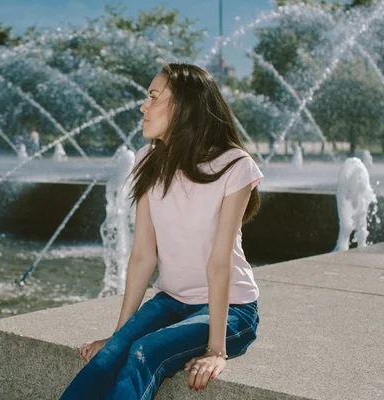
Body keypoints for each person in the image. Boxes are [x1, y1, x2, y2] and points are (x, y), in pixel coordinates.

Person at [60, 63, 263, 400]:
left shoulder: (235, 165)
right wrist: (117, 336)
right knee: (114, 353)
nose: (143, 106)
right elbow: (142, 254)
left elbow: (219, 261)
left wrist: (216, 350)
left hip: (232, 309)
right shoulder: (148, 160)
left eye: (153, 97)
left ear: (185, 107)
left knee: (144, 353)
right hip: (170, 302)